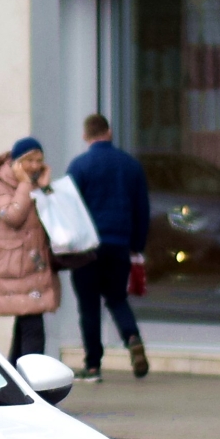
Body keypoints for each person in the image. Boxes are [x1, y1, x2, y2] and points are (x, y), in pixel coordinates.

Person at [66, 113, 151, 382]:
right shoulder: (131, 166)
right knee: (116, 298)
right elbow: (142, 210)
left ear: (85, 136)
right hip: (118, 245)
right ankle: (132, 338)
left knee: (89, 305)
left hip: (86, 249)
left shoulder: (79, 166)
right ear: (109, 132)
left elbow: (70, 208)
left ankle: (93, 366)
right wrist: (136, 245)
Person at [0, 138, 59, 363]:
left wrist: (46, 189)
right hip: (16, 266)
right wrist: (25, 185)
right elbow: (13, 216)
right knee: (33, 327)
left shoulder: (36, 183)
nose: (36, 166)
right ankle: (33, 382)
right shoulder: (0, 185)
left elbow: (53, 218)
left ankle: (14, 380)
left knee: (26, 325)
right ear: (17, 162)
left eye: (40, 160)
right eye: (30, 160)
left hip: (36, 265)